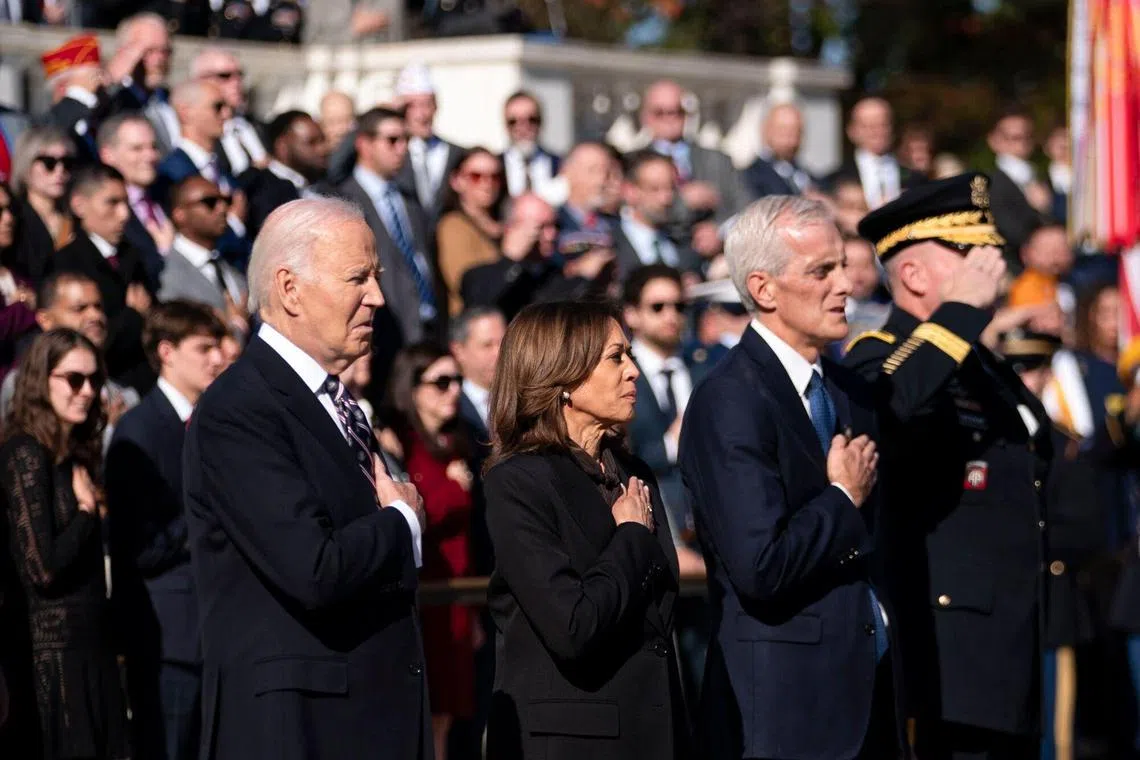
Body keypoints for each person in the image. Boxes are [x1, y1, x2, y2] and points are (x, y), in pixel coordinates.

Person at [183, 197, 431, 759]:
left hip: (362, 719)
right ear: (290, 289)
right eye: (357, 278)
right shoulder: (240, 409)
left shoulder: (334, 400)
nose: (376, 297)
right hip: (297, 730)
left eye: (377, 277)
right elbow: (312, 567)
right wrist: (401, 521)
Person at [844, 173, 1051, 759]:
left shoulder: (977, 359)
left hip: (1011, 636)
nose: (989, 261)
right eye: (965, 250)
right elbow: (891, 404)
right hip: (949, 646)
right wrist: (959, 312)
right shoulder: (878, 352)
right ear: (911, 274)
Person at [679, 196, 892, 760]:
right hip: (782, 714)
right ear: (764, 288)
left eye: (844, 265)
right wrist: (843, 496)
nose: (845, 284)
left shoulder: (846, 390)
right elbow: (762, 566)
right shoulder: (730, 401)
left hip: (865, 698)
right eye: (821, 271)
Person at [482, 300, 687, 760]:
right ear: (564, 378)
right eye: (616, 357)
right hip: (573, 742)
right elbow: (572, 626)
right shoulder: (517, 482)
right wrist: (631, 536)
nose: (633, 371)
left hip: (653, 733)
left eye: (630, 355)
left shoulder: (632, 471)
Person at [0, 328, 131, 760]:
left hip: (92, 649)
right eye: (74, 379)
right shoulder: (24, 452)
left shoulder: (73, 454)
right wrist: (87, 513)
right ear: (42, 379)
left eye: (94, 380)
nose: (88, 391)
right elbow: (42, 568)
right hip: (51, 665)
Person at [105, 301, 226, 760]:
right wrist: (212, 516)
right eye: (205, 348)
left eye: (219, 346)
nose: (218, 358)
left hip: (216, 633)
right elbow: (140, 545)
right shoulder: (139, 430)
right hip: (168, 640)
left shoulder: (215, 423)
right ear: (167, 351)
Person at [1000, 330, 1107, 760]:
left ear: (1046, 374)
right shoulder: (987, 439)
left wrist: (1025, 538)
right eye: (1013, 370)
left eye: (1030, 369)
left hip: (1050, 602)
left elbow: (1086, 531)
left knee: (1050, 732)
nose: (1022, 379)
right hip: (1000, 606)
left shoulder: (1064, 445)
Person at [386, 343, 478, 760]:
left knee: (450, 717)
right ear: (413, 387)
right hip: (426, 597)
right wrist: (455, 488)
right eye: (441, 382)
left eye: (457, 380)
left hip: (458, 598)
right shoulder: (402, 441)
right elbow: (414, 509)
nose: (453, 391)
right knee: (429, 711)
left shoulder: (457, 441)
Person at [336, 106, 439, 360]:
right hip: (381, 335)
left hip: (425, 327)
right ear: (364, 144)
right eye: (392, 140)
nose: (401, 148)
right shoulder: (344, 201)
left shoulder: (408, 199)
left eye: (405, 139)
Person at [54, 163, 153, 394]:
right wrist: (133, 316)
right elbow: (85, 342)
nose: (124, 214)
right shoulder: (66, 265)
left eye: (126, 202)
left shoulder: (132, 255)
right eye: (112, 203)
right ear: (79, 205)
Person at [461, 193, 604, 322]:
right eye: (540, 228)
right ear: (510, 229)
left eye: (555, 226)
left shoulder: (556, 274)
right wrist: (510, 259)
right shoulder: (478, 276)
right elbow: (479, 311)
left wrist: (586, 277)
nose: (552, 235)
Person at [157, 177, 248, 335]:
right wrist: (238, 326)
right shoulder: (168, 277)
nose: (222, 208)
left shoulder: (226, 263)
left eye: (225, 200)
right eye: (210, 202)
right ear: (180, 214)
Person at [97, 113, 171, 284]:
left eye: (153, 147)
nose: (150, 156)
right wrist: (166, 253)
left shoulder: (166, 196)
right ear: (108, 155)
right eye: (137, 149)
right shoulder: (101, 211)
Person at [436, 147, 505, 315]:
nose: (487, 183)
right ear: (456, 181)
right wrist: (510, 257)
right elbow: (464, 283)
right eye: (476, 176)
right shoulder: (452, 226)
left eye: (494, 177)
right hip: (474, 326)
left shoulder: (505, 224)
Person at [395, 62, 465, 222]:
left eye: (426, 104)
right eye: (412, 106)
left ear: (436, 106)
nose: (421, 114)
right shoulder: (393, 155)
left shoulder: (457, 154)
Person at [829, 97, 923, 209]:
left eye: (883, 125)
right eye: (868, 126)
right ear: (852, 131)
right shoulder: (834, 181)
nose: (876, 132)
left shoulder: (916, 180)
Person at [614, 151, 696, 279]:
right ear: (629, 191)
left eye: (671, 187)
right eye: (655, 189)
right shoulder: (609, 242)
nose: (666, 199)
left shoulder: (685, 241)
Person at [189, 48, 267, 179]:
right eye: (224, 76)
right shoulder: (195, 131)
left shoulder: (256, 126)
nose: (236, 82)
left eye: (239, 75)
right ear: (199, 80)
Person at [987, 107, 1050, 260]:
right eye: (1013, 138)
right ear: (994, 141)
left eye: (1026, 137)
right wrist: (1040, 210)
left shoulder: (1041, 177)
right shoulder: (990, 184)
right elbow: (1010, 232)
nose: (1021, 143)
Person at [111, 13, 179, 153]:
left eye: (165, 51)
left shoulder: (169, 101)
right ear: (124, 52)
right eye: (149, 51)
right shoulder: (114, 101)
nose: (159, 60)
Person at [10, 125, 75, 268]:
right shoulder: (12, 218)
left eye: (67, 163)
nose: (60, 170)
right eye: (49, 163)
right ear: (26, 165)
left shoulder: (76, 217)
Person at [743, 103, 816, 197]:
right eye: (783, 130)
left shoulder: (806, 176)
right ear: (765, 130)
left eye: (797, 130)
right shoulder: (750, 177)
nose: (791, 138)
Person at [500, 91, 561, 199]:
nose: (523, 127)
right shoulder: (496, 166)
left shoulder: (560, 165)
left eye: (531, 120)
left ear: (541, 121)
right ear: (506, 125)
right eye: (513, 121)